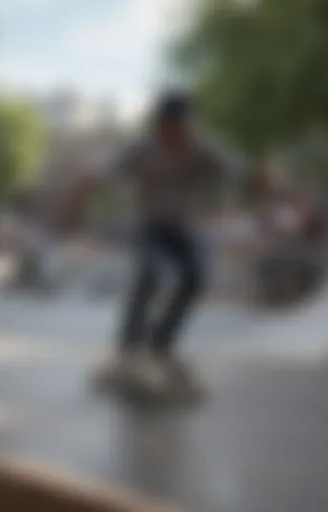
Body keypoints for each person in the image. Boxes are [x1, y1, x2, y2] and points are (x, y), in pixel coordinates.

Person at [58, 92, 241, 396]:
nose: (175, 136)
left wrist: (267, 182)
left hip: (184, 228)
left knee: (196, 278)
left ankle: (161, 345)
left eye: (182, 129)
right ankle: (130, 348)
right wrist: (74, 201)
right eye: (169, 129)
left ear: (189, 124)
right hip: (150, 227)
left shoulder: (201, 148)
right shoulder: (141, 149)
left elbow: (238, 172)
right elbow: (99, 174)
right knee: (150, 274)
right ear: (159, 126)